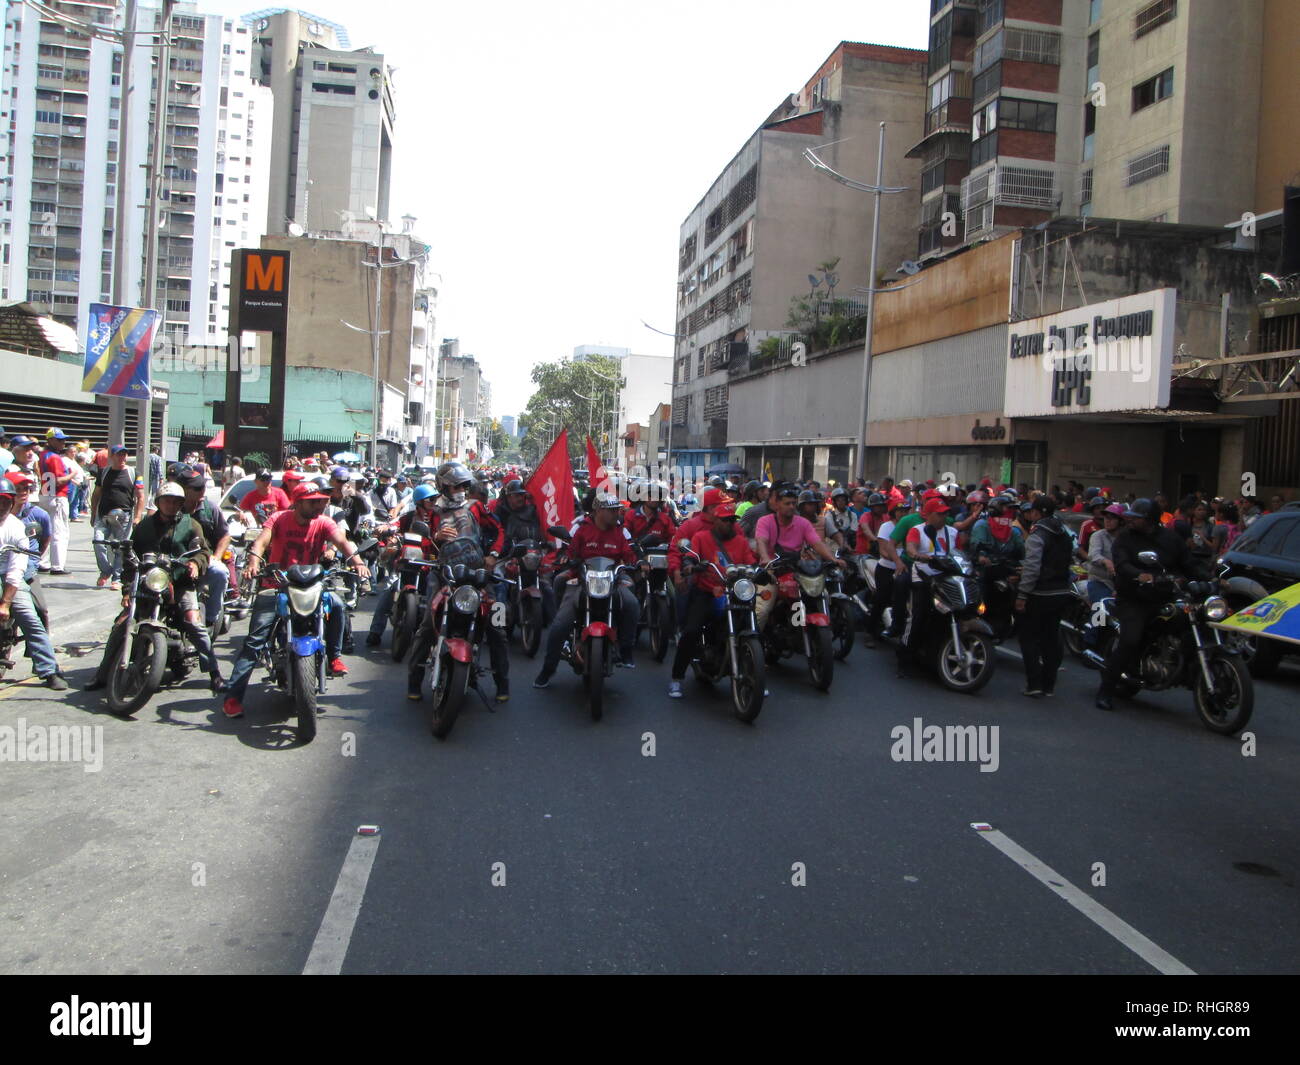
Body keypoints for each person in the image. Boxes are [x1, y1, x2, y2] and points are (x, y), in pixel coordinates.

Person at [222, 483, 368, 719]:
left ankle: (334, 656)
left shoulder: (323, 522)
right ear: (298, 502)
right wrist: (253, 562)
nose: (320, 505)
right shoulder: (279, 519)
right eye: (314, 502)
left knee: (338, 605)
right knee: (254, 642)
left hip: (312, 586)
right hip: (277, 586)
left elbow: (343, 542)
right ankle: (232, 697)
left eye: (322, 501)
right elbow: (260, 542)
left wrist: (358, 562)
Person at [84, 483, 223, 696]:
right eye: (167, 500)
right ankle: (102, 674)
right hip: (149, 582)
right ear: (158, 502)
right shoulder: (145, 526)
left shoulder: (191, 524)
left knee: (194, 622)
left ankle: (215, 674)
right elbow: (131, 561)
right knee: (122, 624)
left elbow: (202, 550)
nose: (171, 505)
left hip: (180, 582)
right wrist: (127, 591)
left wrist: (195, 563)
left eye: (176, 501)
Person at [407, 462, 509, 700]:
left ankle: (503, 684)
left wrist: (493, 555)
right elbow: (424, 545)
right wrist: (435, 537)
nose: (461, 490)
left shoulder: (476, 508)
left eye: (464, 485)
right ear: (444, 487)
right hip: (444, 574)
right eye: (456, 486)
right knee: (425, 626)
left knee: (498, 626)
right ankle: (413, 682)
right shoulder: (433, 511)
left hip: (478, 575)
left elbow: (499, 531)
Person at [1095, 498, 1195, 711]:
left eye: (1136, 517)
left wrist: (1211, 578)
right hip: (1134, 598)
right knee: (1130, 639)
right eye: (1130, 516)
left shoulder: (1171, 539)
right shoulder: (1125, 538)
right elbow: (1122, 564)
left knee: (1189, 623)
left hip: (1164, 596)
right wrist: (1141, 575)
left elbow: (1189, 563)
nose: (1130, 520)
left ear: (1149, 520)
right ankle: (1106, 690)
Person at [533, 493, 642, 687]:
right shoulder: (582, 529)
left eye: (617, 510)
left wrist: (638, 563)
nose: (617, 514)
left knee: (632, 604)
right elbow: (570, 552)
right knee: (559, 625)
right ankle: (548, 670)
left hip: (613, 579)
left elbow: (628, 553)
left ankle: (626, 649)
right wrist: (566, 559)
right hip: (583, 580)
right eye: (612, 510)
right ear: (599, 511)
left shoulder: (619, 531)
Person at [667, 501, 757, 698]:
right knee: (691, 631)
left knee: (754, 626)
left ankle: (756, 675)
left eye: (732, 520)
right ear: (716, 521)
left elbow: (750, 561)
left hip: (735, 593)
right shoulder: (701, 537)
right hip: (707, 591)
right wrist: (690, 565)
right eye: (725, 520)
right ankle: (677, 678)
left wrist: (760, 571)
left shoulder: (741, 541)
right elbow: (691, 556)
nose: (729, 524)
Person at [0, 478, 67, 689]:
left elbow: (16, 569)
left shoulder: (16, 527)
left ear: (11, 503)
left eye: (5, 501)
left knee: (31, 618)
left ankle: (48, 670)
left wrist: (5, 603)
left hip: (13, 579)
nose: (1, 505)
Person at [1015, 496, 1074, 698]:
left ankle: (1034, 684)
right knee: (1050, 639)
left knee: (1029, 638)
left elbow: (1032, 567)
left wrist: (1023, 593)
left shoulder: (1038, 534)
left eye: (1032, 511)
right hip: (1061, 591)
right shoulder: (1064, 532)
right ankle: (1049, 685)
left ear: (1037, 513)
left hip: (1040, 593)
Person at [366, 482, 438, 646]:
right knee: (389, 592)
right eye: (430, 500)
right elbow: (395, 524)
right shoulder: (408, 517)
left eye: (435, 499)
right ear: (420, 502)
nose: (434, 503)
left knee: (437, 598)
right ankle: (375, 631)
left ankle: (434, 638)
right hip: (408, 563)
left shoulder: (438, 518)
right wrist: (386, 527)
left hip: (431, 565)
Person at [895, 498, 959, 677]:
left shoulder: (953, 532)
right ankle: (904, 658)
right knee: (917, 617)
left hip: (947, 581)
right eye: (940, 514)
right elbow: (910, 548)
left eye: (946, 513)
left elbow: (961, 553)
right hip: (923, 579)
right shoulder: (918, 530)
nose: (944, 517)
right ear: (929, 515)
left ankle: (935, 657)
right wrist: (917, 555)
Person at [178, 474, 231, 629]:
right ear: (185, 490)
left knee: (220, 572)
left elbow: (225, 535)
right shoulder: (173, 506)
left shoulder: (211, 508)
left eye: (203, 487)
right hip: (178, 558)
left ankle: (210, 619)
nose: (202, 491)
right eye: (197, 488)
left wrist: (217, 556)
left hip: (205, 558)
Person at [90, 445, 145, 589]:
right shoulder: (104, 472)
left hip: (124, 516)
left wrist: (138, 516)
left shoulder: (134, 473)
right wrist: (93, 512)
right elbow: (96, 494)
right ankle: (105, 571)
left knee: (120, 547)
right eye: (118, 455)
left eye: (124, 455)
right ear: (111, 457)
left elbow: (140, 496)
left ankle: (117, 577)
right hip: (104, 515)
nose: (122, 458)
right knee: (98, 541)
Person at [37, 429, 73, 574]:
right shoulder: (54, 458)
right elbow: (58, 480)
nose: (62, 443)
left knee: (46, 530)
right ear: (50, 440)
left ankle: (42, 562)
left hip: (46, 494)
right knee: (59, 531)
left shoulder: (43, 455)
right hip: (56, 496)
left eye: (63, 440)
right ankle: (57, 565)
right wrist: (72, 474)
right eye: (59, 440)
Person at [823, 486, 857, 551]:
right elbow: (833, 533)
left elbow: (853, 532)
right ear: (834, 502)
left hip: (849, 548)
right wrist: (843, 544)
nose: (840, 502)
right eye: (838, 500)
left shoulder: (853, 515)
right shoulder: (829, 515)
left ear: (847, 501)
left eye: (843, 500)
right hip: (832, 548)